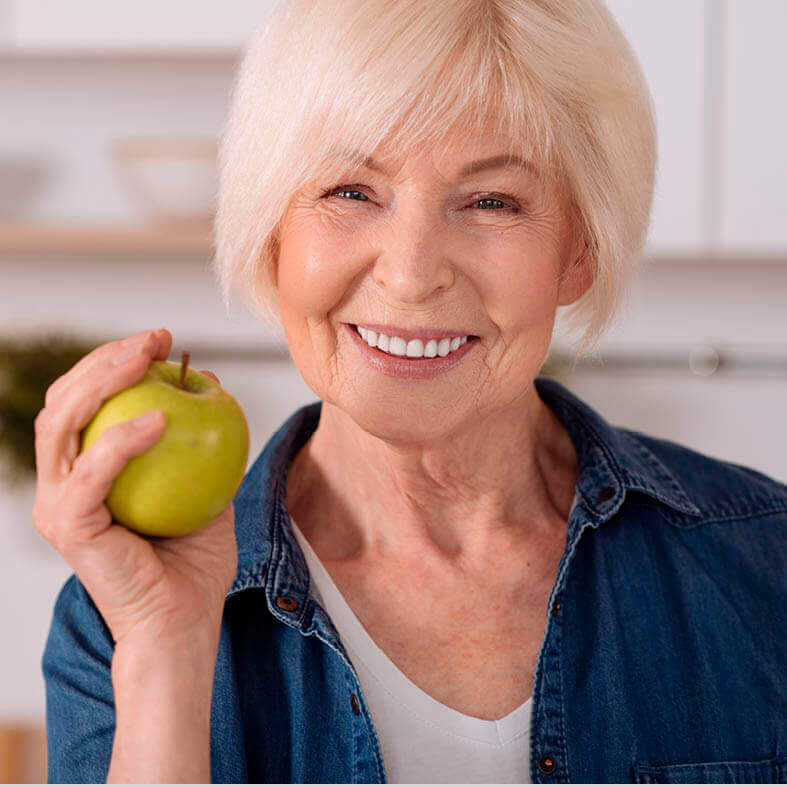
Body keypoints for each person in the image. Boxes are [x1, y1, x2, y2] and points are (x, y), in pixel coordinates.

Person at [36, 0, 786, 783]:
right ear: (272, 231)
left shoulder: (765, 565)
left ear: (579, 251)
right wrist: (166, 651)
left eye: (491, 201)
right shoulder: (119, 620)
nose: (410, 270)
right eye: (351, 191)